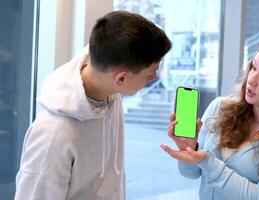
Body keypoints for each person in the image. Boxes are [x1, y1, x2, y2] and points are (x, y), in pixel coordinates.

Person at [15, 11, 171, 200]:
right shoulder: (54, 134)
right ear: (121, 78)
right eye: (149, 74)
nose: (154, 78)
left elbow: (116, 31)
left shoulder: (109, 83)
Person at [161, 40, 259, 199]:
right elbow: (192, 173)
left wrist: (209, 162)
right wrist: (189, 149)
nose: (252, 80)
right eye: (254, 67)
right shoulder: (219, 108)